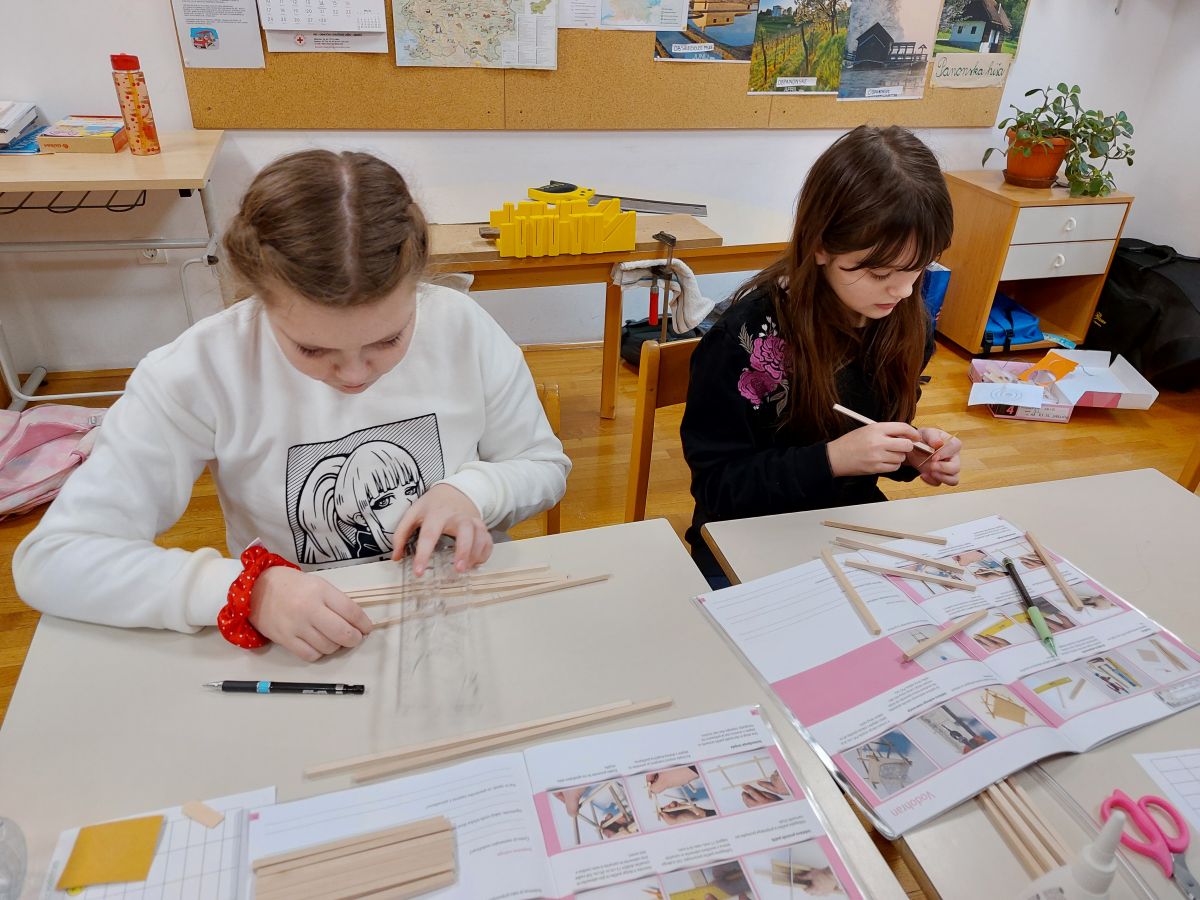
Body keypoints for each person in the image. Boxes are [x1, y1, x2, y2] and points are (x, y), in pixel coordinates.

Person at [14, 149, 569, 661]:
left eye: (388, 340)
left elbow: (543, 465)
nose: (355, 375)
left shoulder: (460, 326)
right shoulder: (200, 368)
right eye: (313, 349)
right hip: (303, 643)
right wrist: (246, 590)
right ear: (259, 296)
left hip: (464, 612)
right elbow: (54, 557)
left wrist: (474, 491)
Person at [680, 126, 962, 583]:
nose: (904, 291)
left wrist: (911, 450)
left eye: (917, 268)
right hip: (744, 536)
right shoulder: (744, 340)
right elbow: (718, 487)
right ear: (820, 246)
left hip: (848, 526)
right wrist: (830, 460)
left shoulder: (906, 320)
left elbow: (877, 427)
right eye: (879, 273)